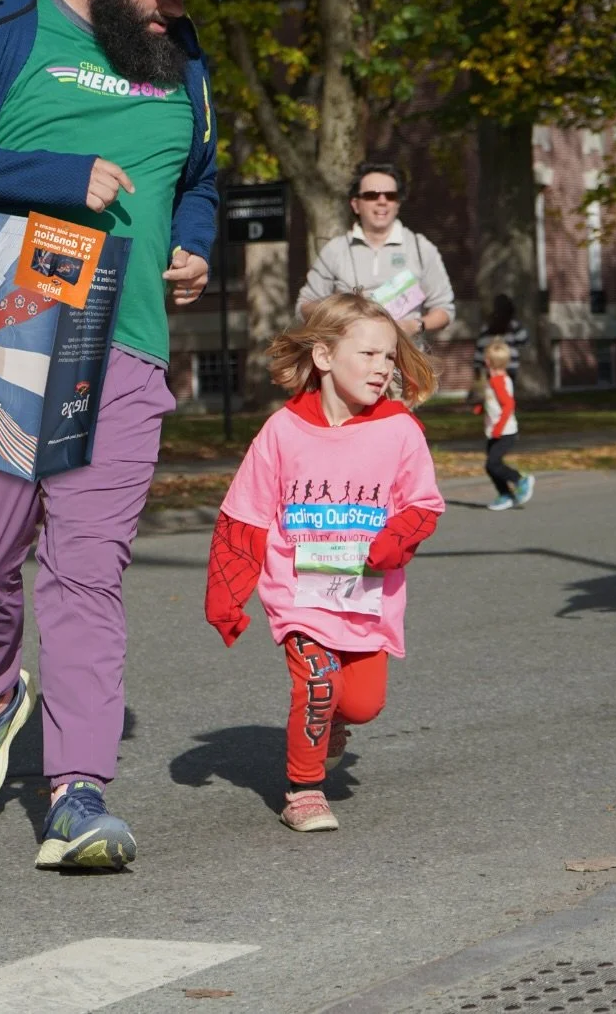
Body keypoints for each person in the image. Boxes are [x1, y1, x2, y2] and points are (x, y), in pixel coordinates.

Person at [0, 0, 220, 869]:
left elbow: (197, 175)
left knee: (87, 571)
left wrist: (195, 244)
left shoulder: (184, 60)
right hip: (0, 332)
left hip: (123, 347)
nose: (173, 7)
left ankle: (78, 792)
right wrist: (57, 175)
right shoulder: (3, 32)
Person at [203, 293, 444, 831]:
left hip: (365, 596)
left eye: (390, 356)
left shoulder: (400, 429)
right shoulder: (282, 431)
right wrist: (227, 594)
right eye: (369, 354)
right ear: (325, 357)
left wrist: (394, 541)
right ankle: (304, 789)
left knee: (361, 703)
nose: (383, 368)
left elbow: (423, 504)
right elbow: (245, 515)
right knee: (316, 681)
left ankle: (335, 723)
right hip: (298, 593)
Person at [296, 161, 455, 344]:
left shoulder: (421, 248)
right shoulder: (335, 250)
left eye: (390, 195)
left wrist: (415, 325)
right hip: (350, 363)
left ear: (397, 204)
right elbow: (304, 306)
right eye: (372, 195)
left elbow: (444, 310)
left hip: (406, 363)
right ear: (356, 205)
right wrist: (342, 314)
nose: (382, 201)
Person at [479, 338, 535, 511]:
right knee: (491, 466)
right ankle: (505, 494)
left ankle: (520, 479)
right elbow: (496, 402)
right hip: (495, 431)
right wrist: (480, 408)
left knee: (492, 464)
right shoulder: (497, 379)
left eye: (486, 358)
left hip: (504, 432)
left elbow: (508, 404)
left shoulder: (498, 381)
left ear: (490, 361)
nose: (485, 360)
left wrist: (498, 428)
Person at [473, 293, 529, 381]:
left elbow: (480, 349)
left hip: (491, 368)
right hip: (510, 366)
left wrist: (477, 366)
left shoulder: (487, 328)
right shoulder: (514, 326)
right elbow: (523, 341)